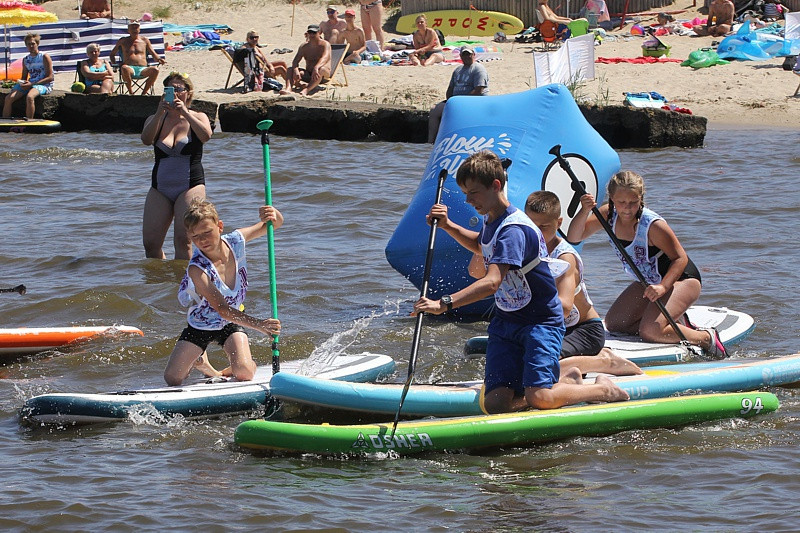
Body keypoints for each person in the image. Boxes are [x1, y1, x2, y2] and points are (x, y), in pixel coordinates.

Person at [412, 151, 630, 414]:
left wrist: (444, 303)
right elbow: (482, 246)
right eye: (465, 193)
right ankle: (564, 382)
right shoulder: (493, 218)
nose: (468, 200)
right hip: (507, 322)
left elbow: (492, 282)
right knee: (495, 403)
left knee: (539, 398)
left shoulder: (514, 229)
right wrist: (448, 226)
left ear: (495, 185)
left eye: (473, 193)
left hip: (539, 322)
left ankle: (601, 390)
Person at [566, 170, 728, 358]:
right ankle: (671, 324)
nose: (627, 209)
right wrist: (584, 210)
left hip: (681, 280)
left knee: (651, 331)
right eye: (621, 202)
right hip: (649, 281)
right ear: (611, 199)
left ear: (641, 198)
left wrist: (662, 286)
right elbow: (574, 237)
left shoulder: (652, 225)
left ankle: (705, 337)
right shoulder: (608, 214)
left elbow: (680, 259)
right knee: (616, 324)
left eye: (633, 202)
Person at [164, 200, 283, 386]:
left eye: (207, 232)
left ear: (220, 226)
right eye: (195, 236)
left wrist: (273, 214)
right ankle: (203, 363)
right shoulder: (198, 269)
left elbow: (272, 225)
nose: (202, 240)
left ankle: (222, 366)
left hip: (231, 321)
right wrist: (260, 325)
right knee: (173, 378)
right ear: (189, 236)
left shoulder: (236, 240)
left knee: (244, 373)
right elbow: (222, 309)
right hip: (202, 324)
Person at [524, 191, 642, 377]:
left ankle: (605, 362)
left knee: (540, 359)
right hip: (555, 328)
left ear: (559, 223)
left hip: (585, 331)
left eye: (544, 226)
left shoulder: (565, 258)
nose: (537, 232)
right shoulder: (527, 248)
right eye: (532, 226)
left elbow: (564, 307)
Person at [140, 72, 213, 260]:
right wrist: (159, 113)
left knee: (183, 240)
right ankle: (159, 285)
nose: (174, 93)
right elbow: (146, 139)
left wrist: (185, 113)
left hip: (189, 186)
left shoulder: (198, 116)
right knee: (151, 244)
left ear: (188, 93)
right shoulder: (156, 118)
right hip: (160, 188)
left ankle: (183, 284)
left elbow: (206, 136)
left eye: (179, 89)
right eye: (170, 89)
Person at [427, 45, 488, 143]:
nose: (467, 57)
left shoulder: (478, 69)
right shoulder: (458, 70)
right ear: (460, 56)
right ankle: (431, 142)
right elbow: (450, 88)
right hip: (456, 101)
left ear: (474, 55)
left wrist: (461, 102)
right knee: (435, 110)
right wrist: (450, 101)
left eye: (469, 54)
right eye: (464, 55)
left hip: (473, 102)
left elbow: (479, 90)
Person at [2, 33, 53, 120]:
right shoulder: (26, 59)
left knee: (30, 97)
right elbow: (24, 77)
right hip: (30, 83)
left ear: (37, 44)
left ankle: (29, 120)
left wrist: (32, 84)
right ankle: (5, 120)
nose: (31, 46)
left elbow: (50, 77)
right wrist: (22, 83)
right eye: (29, 44)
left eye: (33, 44)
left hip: (44, 84)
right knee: (8, 98)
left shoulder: (44, 56)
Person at [110, 19, 166, 95]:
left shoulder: (145, 40)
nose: (134, 29)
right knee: (124, 68)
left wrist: (159, 59)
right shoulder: (123, 41)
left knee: (155, 70)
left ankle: (143, 94)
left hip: (143, 69)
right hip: (129, 68)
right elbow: (112, 54)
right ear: (128, 30)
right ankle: (131, 93)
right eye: (132, 27)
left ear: (139, 29)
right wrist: (114, 65)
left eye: (136, 27)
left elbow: (153, 53)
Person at [282, 25, 331, 97]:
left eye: (314, 33)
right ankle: (288, 89)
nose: (311, 35)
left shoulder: (325, 44)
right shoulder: (304, 46)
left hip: (323, 75)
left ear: (319, 33)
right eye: (310, 32)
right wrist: (295, 70)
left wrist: (316, 67)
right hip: (309, 74)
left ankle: (306, 90)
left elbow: (325, 57)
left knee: (322, 69)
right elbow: (295, 60)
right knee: (290, 69)